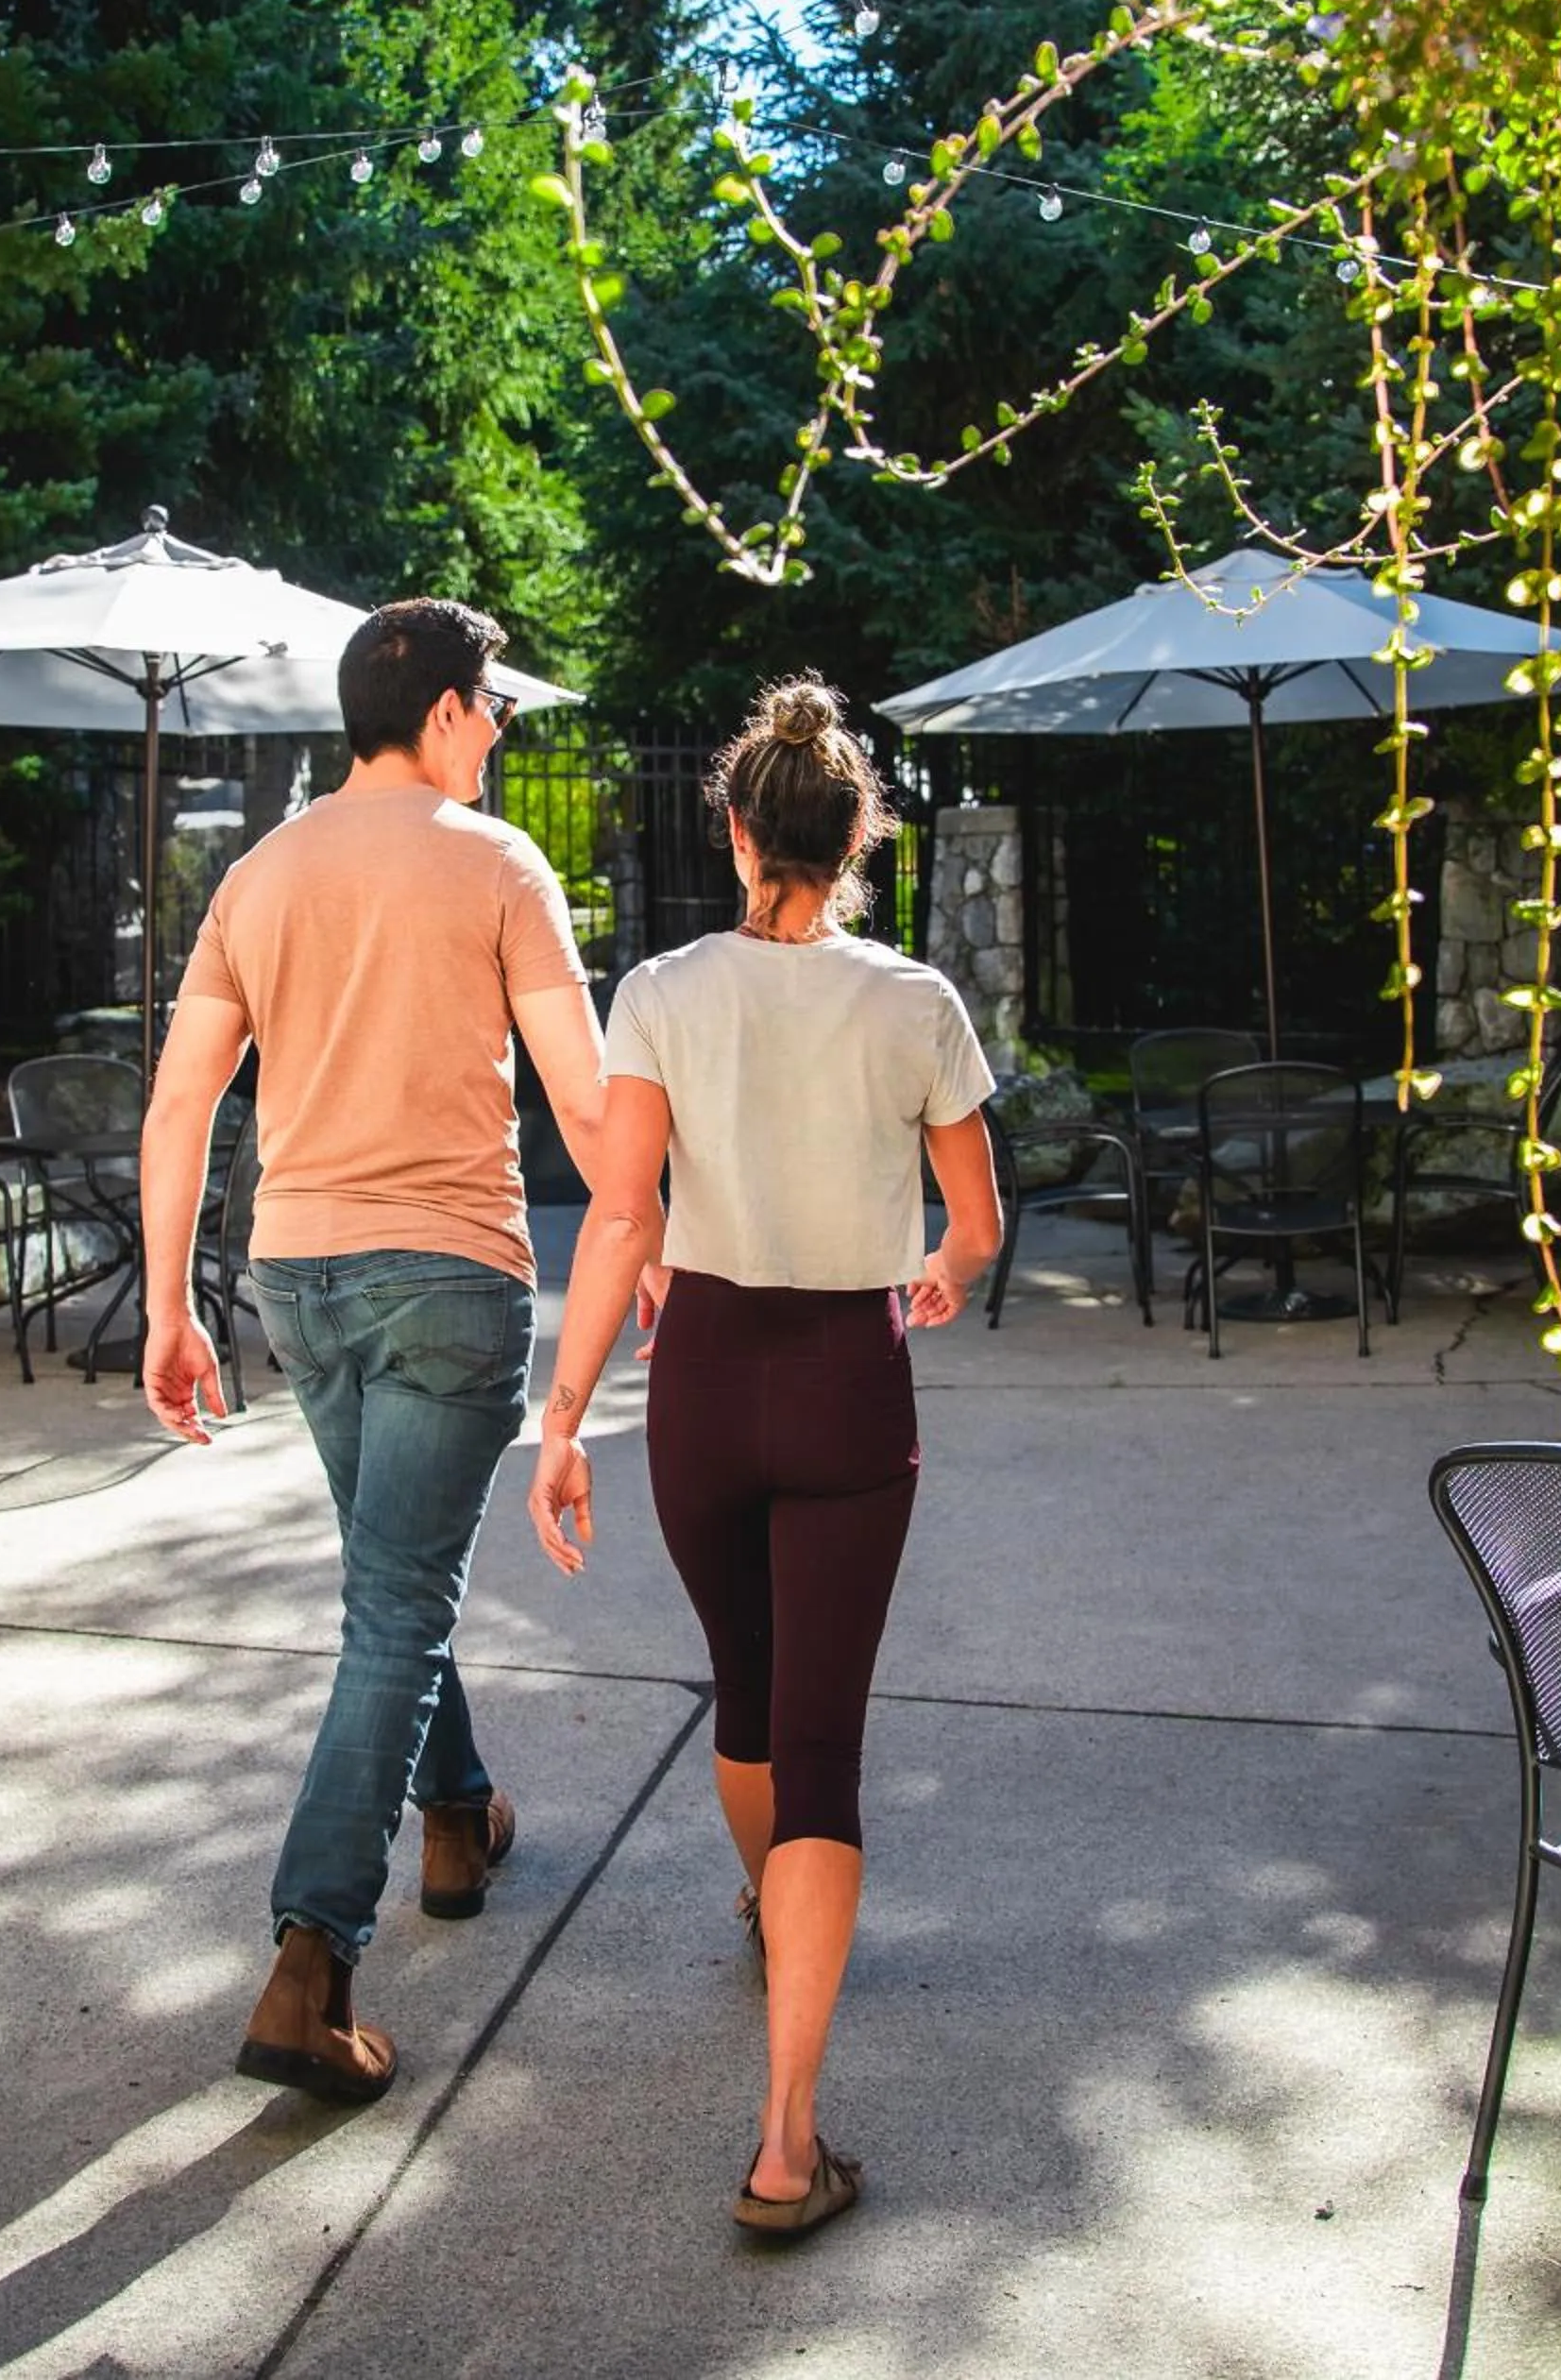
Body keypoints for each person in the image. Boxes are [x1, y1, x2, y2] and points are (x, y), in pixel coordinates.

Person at [526, 675, 1001, 2239]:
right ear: (859, 835)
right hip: (851, 1386)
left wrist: (561, 1412)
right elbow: (977, 1227)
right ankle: (789, 2141)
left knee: (745, 1685)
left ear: (736, 834)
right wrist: (934, 1277)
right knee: (825, 1747)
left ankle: (762, 1905)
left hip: (704, 1386)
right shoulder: (917, 1001)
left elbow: (621, 1213)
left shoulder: (660, 989)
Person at [140, 596, 604, 2108]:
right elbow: (589, 1108)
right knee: (394, 1610)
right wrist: (659, 1233)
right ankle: (310, 1958)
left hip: (297, 1281)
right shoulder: (498, 865)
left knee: (392, 1584)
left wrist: (168, 1305)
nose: (503, 735)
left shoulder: (257, 877)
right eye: (496, 709)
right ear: (451, 712)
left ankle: (458, 1818)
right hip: (448, 1281)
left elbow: (182, 1102)